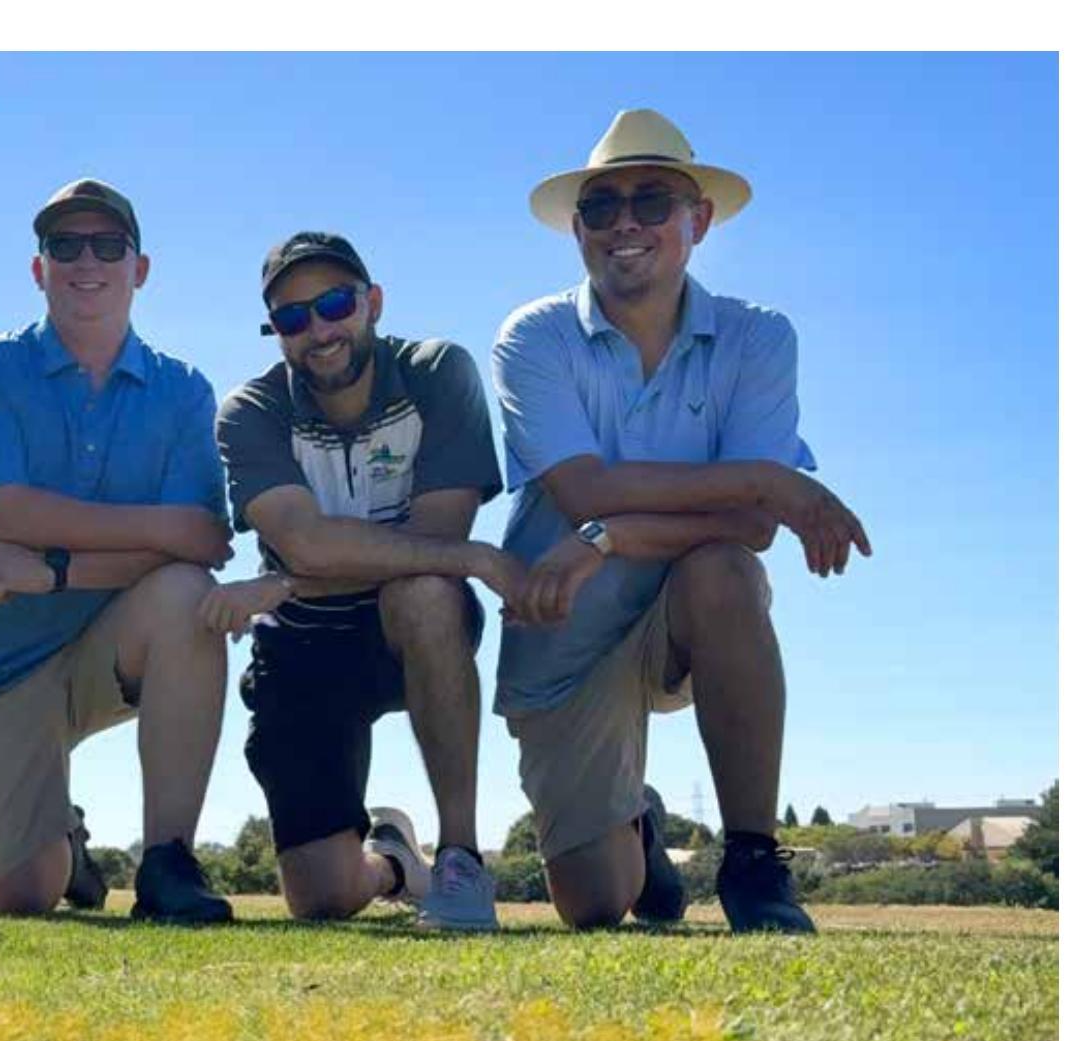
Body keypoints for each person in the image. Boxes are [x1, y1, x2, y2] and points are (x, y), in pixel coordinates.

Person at [492, 109, 871, 932]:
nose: (624, 224)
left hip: (684, 613)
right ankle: (638, 824)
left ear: (698, 220)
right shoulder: (533, 337)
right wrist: (768, 479)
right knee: (596, 903)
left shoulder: (759, 338)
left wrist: (613, 540)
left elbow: (751, 530)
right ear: (578, 230)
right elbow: (587, 491)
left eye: (652, 201)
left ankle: (753, 862)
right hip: (563, 634)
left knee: (726, 572)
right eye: (601, 206)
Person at [0, 178, 236, 923]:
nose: (85, 261)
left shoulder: (184, 391)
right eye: (64, 246)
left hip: (106, 648)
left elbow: (204, 542)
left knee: (188, 594)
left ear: (140, 268)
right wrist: (158, 528)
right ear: (40, 270)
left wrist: (52, 569)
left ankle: (168, 861)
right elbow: (0, 511)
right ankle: (62, 836)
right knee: (24, 894)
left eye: (107, 244)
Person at [210, 232, 511, 930]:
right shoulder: (249, 411)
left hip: (401, 625)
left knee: (425, 592)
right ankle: (397, 865)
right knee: (323, 897)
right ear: (276, 331)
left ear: (372, 302)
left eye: (335, 305)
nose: (318, 330)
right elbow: (306, 543)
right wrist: (479, 559)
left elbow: (437, 546)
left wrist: (286, 580)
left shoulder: (438, 372)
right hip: (302, 647)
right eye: (293, 317)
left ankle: (461, 858)